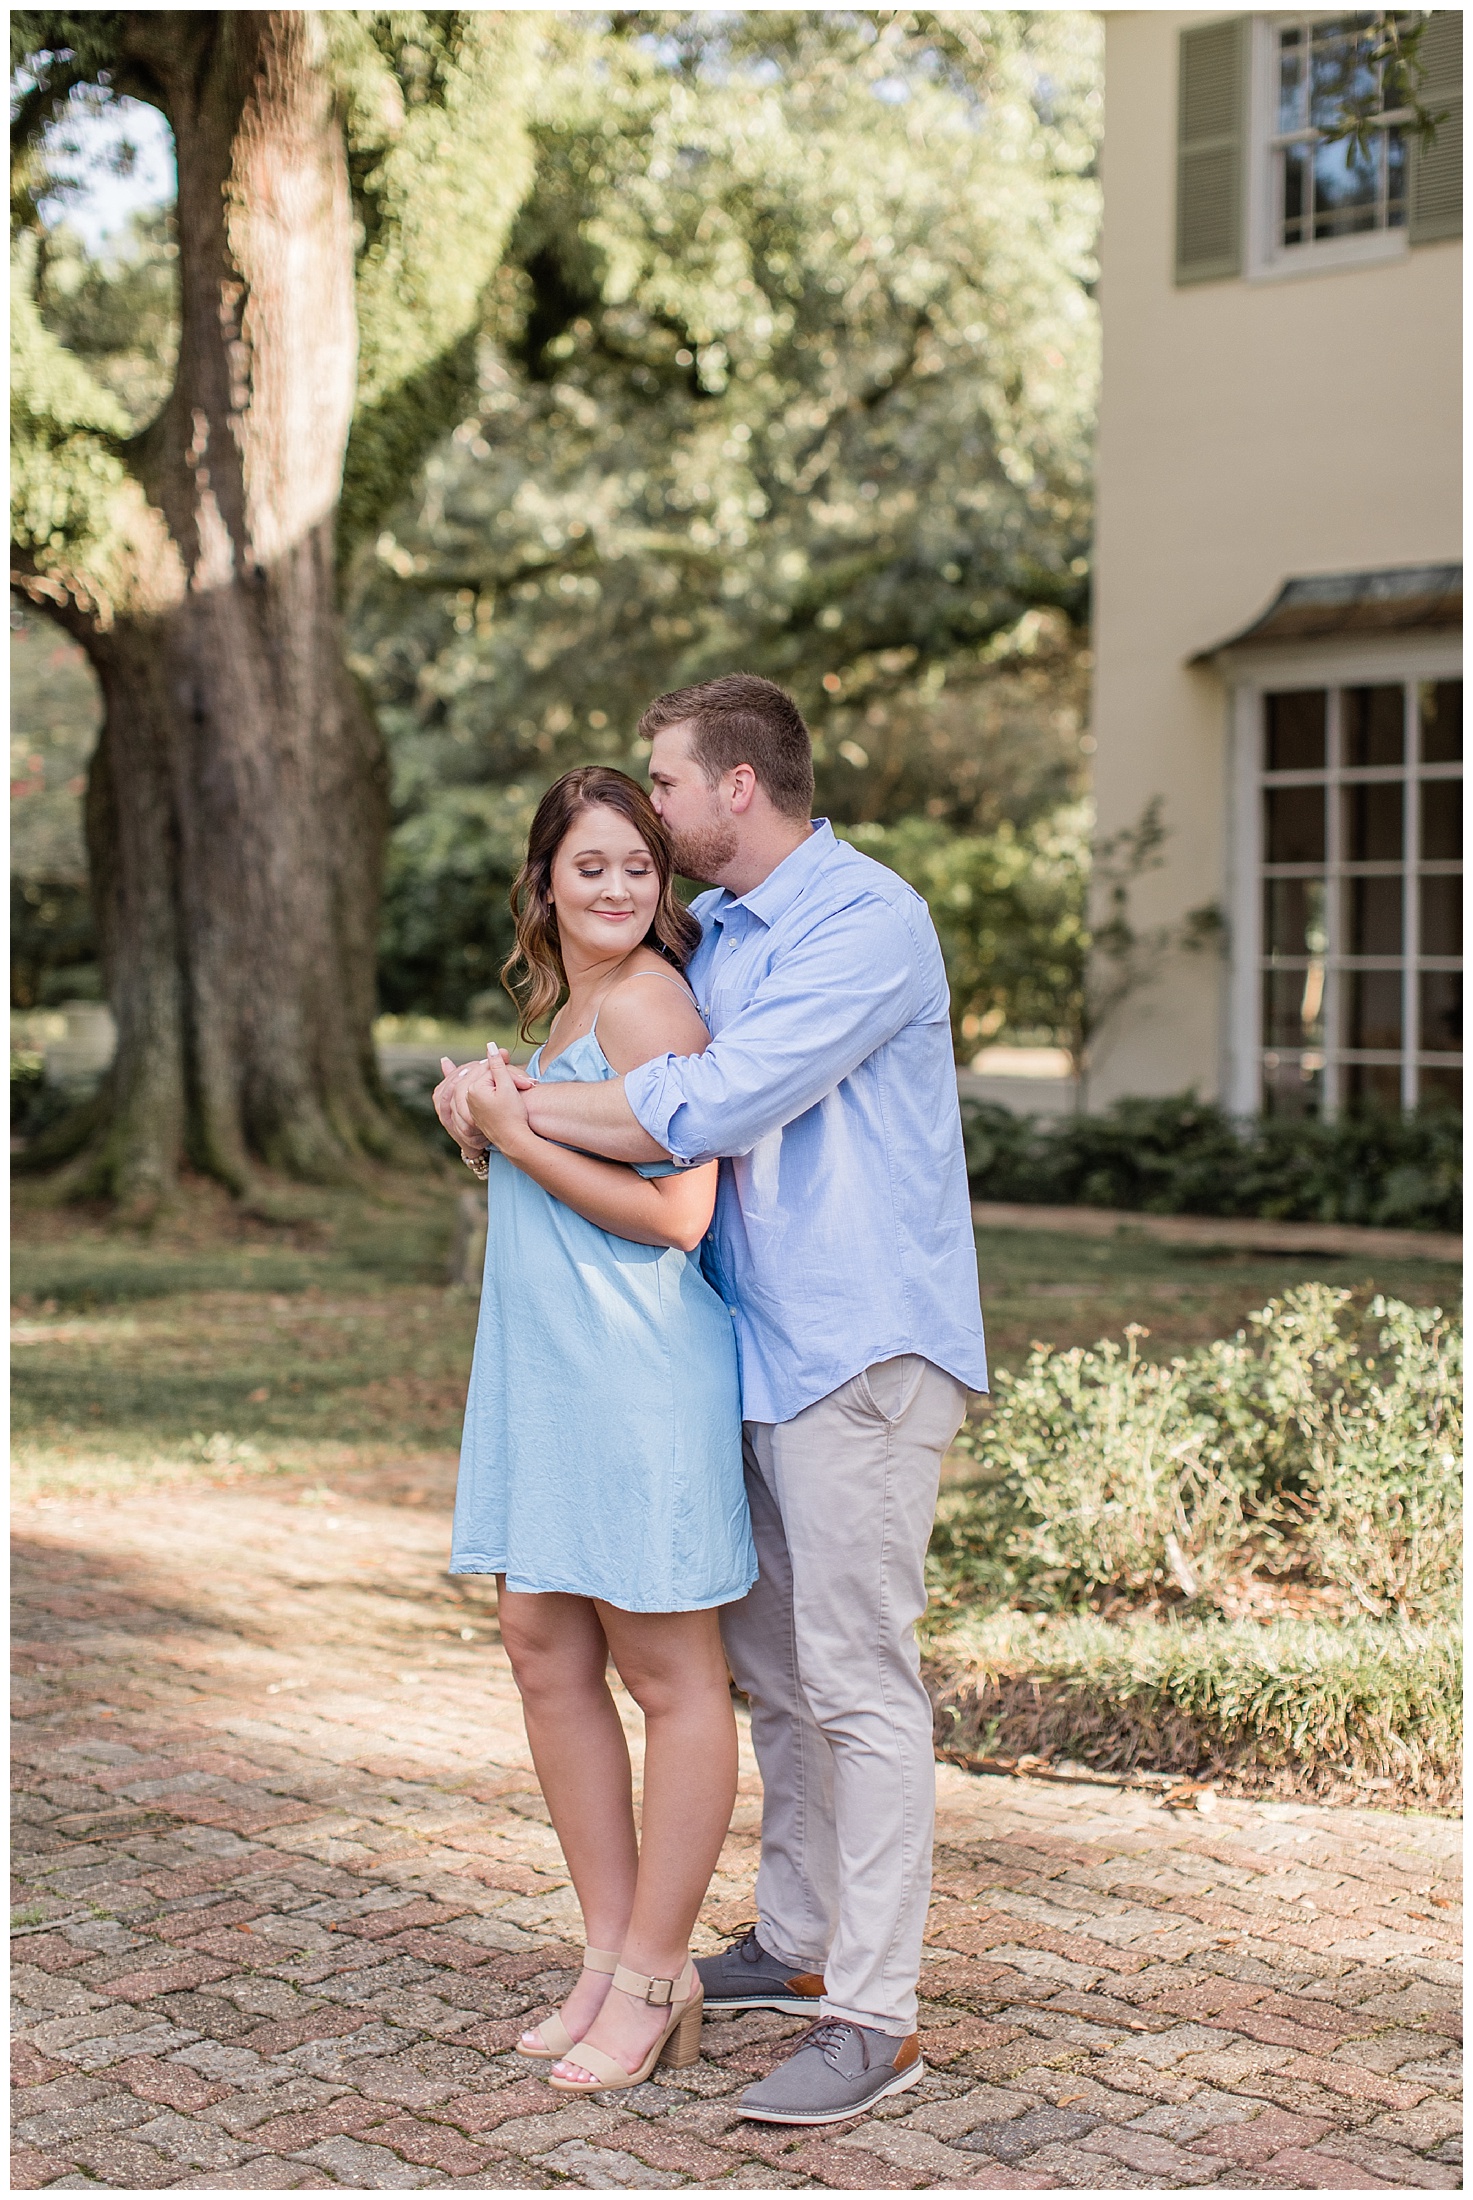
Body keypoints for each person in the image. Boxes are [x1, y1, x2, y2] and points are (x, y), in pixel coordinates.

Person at [440, 674, 988, 2125]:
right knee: (786, 1676)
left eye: (667, 787)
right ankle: (799, 1947)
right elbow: (634, 1086)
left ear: (734, 787)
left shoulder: (866, 922)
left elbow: (710, 1106)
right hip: (750, 1345)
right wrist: (496, 1093)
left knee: (860, 1678)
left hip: (859, 1344)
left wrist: (500, 1107)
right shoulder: (731, 931)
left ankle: (876, 2013)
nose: (656, 812)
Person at [438, 765, 756, 2095]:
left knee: (666, 1671)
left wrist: (508, 1133)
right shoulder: (565, 1004)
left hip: (636, 1376)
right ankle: (603, 1955)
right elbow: (534, 1154)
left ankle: (652, 1972)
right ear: (546, 883)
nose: (618, 887)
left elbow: (682, 1210)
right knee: (538, 1646)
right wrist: (483, 1119)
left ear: (662, 882)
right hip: (545, 1373)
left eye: (639, 865)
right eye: (591, 866)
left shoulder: (648, 1002)